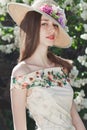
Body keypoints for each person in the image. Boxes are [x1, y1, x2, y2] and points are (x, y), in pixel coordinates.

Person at [8, 0, 86, 130]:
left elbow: (75, 119)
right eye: (44, 24)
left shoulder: (60, 70)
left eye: (55, 25)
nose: (51, 30)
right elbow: (20, 127)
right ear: (32, 27)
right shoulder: (22, 72)